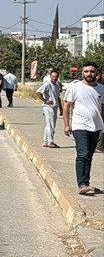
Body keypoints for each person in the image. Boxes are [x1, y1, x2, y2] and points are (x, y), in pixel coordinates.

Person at [62, 62, 104, 196]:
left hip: (96, 126)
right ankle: (81, 184)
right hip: (80, 125)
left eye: (92, 71)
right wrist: (67, 124)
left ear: (97, 73)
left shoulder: (101, 89)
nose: (89, 74)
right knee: (83, 153)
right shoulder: (75, 87)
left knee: (89, 155)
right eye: (86, 71)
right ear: (82, 73)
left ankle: (86, 182)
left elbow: (102, 108)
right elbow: (67, 106)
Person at [36, 70, 62, 148]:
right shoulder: (47, 84)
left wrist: (61, 109)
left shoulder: (57, 86)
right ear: (50, 77)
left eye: (56, 77)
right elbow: (38, 92)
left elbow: (58, 97)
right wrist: (45, 100)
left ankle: (46, 141)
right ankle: (50, 141)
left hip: (54, 106)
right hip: (48, 107)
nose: (54, 78)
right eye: (53, 76)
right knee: (51, 124)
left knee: (49, 124)